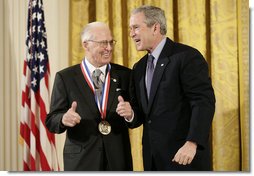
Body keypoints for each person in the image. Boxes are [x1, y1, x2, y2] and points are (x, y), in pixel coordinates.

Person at [116, 5, 215, 171]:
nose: (131, 34)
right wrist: (131, 113)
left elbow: (203, 102)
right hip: (153, 160)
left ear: (155, 27)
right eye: (130, 29)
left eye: (136, 27)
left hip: (184, 157)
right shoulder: (138, 68)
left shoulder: (186, 57)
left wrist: (192, 143)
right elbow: (142, 115)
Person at [46, 22, 133, 171]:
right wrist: (63, 119)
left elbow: (137, 117)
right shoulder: (65, 77)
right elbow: (51, 120)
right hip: (81, 162)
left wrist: (131, 114)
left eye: (111, 42)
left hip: (118, 159)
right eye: (103, 43)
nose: (109, 48)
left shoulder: (125, 75)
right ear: (86, 45)